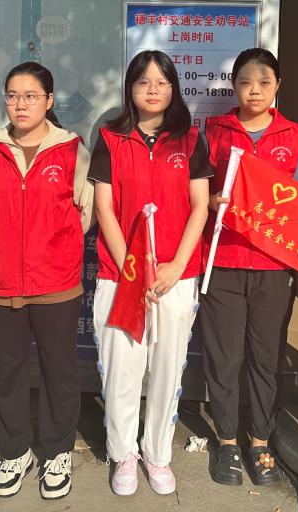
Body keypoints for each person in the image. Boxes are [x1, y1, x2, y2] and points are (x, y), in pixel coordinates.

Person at [89, 50, 212, 496]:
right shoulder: (110, 138)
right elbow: (104, 208)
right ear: (131, 89)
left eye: (162, 82)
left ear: (174, 88)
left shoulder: (190, 140)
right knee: (121, 369)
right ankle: (123, 454)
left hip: (175, 278)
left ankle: (157, 454)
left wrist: (176, 265)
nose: (153, 90)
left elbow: (200, 206)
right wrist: (133, 270)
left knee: (167, 370)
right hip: (120, 275)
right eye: (144, 82)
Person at [0, 62, 93, 500]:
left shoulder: (72, 150)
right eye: (12, 96)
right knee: (8, 372)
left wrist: (50, 247)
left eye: (31, 96)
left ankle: (57, 452)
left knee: (60, 371)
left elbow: (84, 213)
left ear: (49, 100)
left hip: (56, 282)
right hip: (1, 282)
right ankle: (14, 451)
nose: (20, 104)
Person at [200, 48, 298, 486]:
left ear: (278, 86)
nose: (255, 91)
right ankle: (228, 440)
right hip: (223, 261)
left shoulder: (295, 135)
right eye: (246, 82)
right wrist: (212, 201)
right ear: (234, 86)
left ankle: (260, 440)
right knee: (224, 358)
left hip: (273, 266)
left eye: (264, 82)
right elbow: (196, 192)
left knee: (266, 358)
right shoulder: (214, 131)